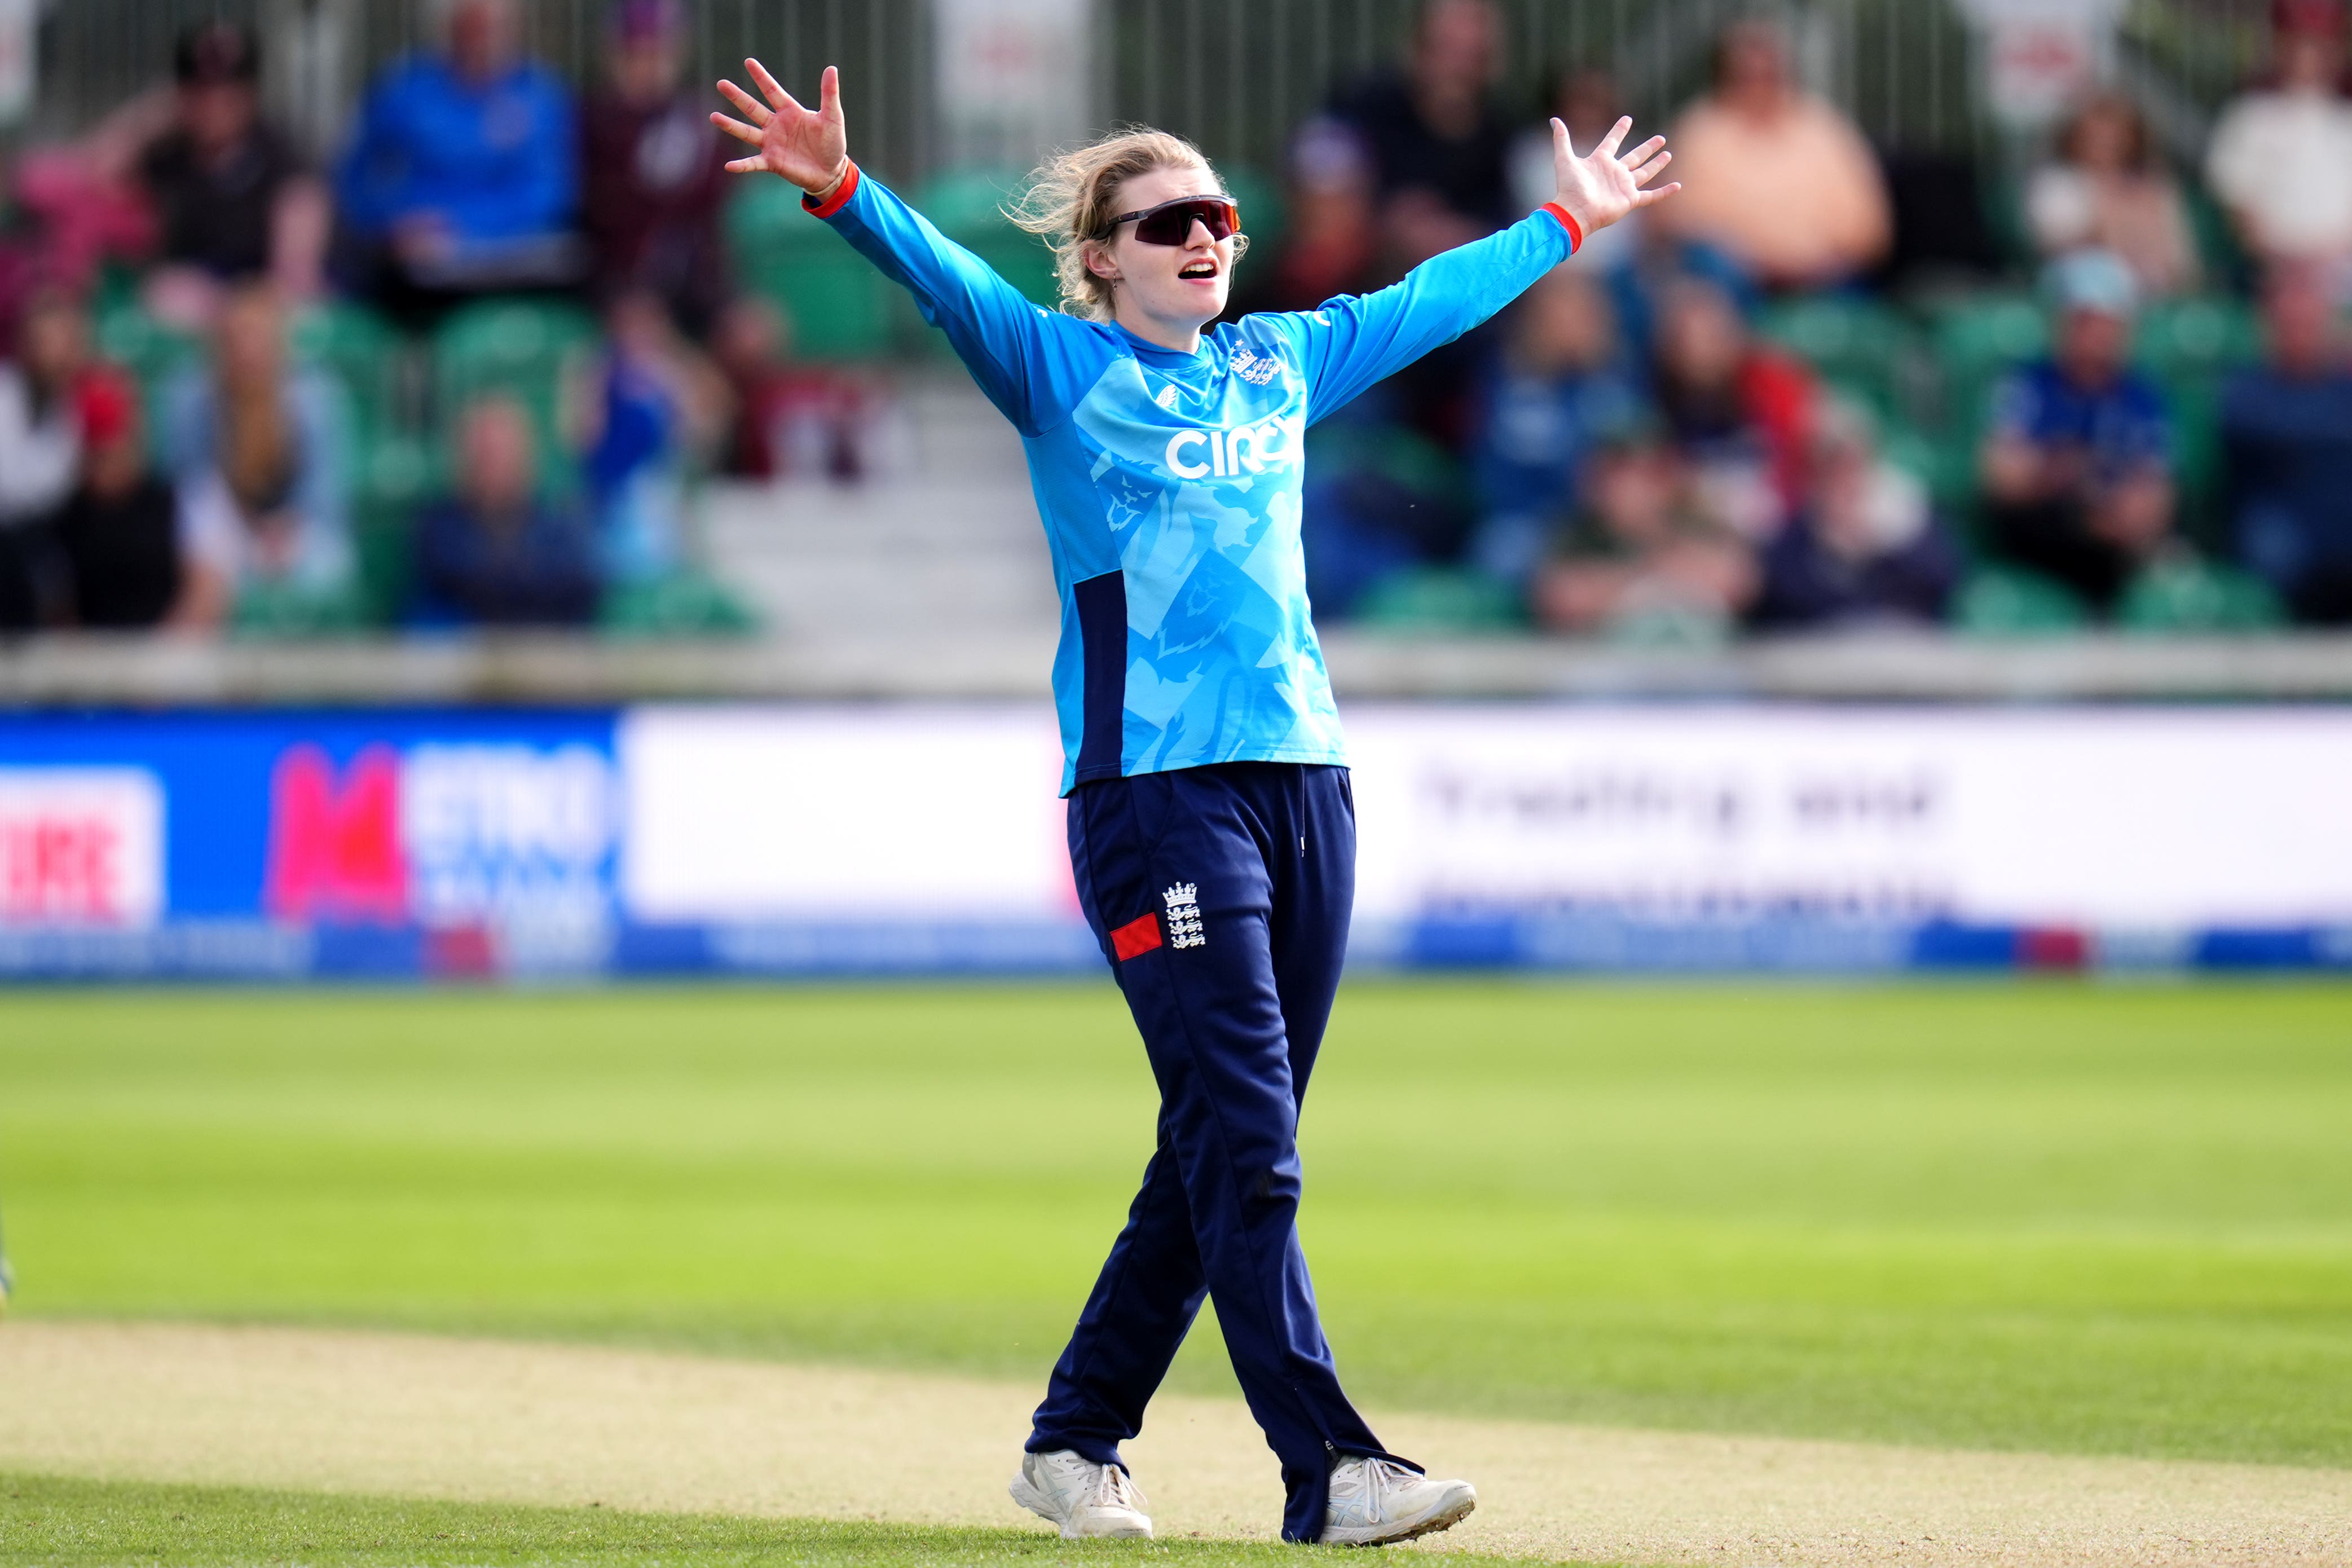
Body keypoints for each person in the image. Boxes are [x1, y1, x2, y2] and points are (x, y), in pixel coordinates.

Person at [712, 54, 1675, 1547]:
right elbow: (942, 278)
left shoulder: (1280, 361)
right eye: (1166, 224)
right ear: (1103, 257)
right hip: (1154, 796)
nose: (1204, 238)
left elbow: (1430, 301)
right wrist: (840, 188)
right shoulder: (1058, 368)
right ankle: (1330, 1467)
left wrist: (1565, 221)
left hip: (1306, 773)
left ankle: (1074, 1438)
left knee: (1227, 1136)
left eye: (1217, 216)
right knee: (1253, 1141)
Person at [335, 0, 581, 320]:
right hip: (413, 277)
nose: (480, 41)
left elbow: (550, 193)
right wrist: (394, 224)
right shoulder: (404, 93)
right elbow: (355, 179)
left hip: (512, 273)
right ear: (449, 30)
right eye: (470, 27)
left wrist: (459, 228)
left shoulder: (541, 99)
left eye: (490, 28)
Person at [1980, 250, 2178, 614]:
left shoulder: (2141, 396)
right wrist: (2063, 473)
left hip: (2115, 555)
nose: (2094, 334)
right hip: (2040, 548)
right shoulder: (2029, 385)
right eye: (2083, 320)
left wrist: (2115, 514)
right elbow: (2002, 477)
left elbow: (2154, 498)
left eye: (2105, 321)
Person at [157, 284, 356, 629]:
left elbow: (327, 500)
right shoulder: (195, 399)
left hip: (300, 533)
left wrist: (286, 532)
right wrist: (243, 533)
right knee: (206, 565)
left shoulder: (313, 398)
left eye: (257, 339)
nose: (247, 352)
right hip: (227, 535)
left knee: (329, 562)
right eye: (237, 340)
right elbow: (191, 497)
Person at [1655, 17, 1891, 292]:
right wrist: (1762, 264)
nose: (1759, 87)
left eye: (1768, 75)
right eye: (1746, 76)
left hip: (1825, 282)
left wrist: (1817, 267)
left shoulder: (1824, 129)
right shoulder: (1699, 132)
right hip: (1734, 283)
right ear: (1722, 78)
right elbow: (1677, 223)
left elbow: (1869, 230)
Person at [135, 21, 329, 330]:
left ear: (251, 93)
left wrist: (226, 304)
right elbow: (65, 178)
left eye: (229, 92)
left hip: (266, 312)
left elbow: (296, 278)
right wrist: (147, 119)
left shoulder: (283, 160)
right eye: (201, 91)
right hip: (195, 314)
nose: (214, 105)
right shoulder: (167, 155)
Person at [1467, 263, 1645, 587]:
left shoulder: (1619, 381)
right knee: (1503, 552)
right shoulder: (1508, 382)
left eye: (1579, 314)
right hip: (1531, 523)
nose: (1568, 325)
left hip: (1608, 527)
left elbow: (1640, 459)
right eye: (1557, 314)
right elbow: (1491, 471)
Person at [581, 0, 735, 338]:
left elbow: (713, 214)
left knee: (751, 333)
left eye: (658, 53)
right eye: (635, 54)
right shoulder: (592, 125)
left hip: (695, 286)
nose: (647, 68)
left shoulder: (698, 123)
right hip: (618, 290)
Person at [1324, 0, 1516, 267]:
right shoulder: (1365, 108)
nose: (1457, 69)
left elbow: (1508, 230)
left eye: (1472, 56)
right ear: (1415, 50)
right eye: (1446, 51)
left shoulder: (1505, 135)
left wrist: (1455, 236)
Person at [1532, 425, 1756, 640]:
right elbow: (1562, 599)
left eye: (1652, 473)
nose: (1637, 488)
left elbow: (1738, 582)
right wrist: (1646, 579)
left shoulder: (1697, 522)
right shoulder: (1577, 532)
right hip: (1605, 666)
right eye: (1622, 474)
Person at [1751, 401, 1958, 631]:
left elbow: (1942, 580)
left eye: (1852, 465)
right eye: (1832, 468)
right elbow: (1781, 598)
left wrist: (1880, 544)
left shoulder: (1908, 512)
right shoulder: (1795, 533)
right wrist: (1835, 550)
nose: (1845, 479)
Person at [2222, 263, 2352, 622]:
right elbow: (2268, 433)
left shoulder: (2343, 388)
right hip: (2282, 522)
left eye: (2309, 322)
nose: (2301, 333)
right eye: (2291, 322)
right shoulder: (2245, 389)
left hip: (2341, 516)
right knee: (2274, 548)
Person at [1650, 274, 1816, 539]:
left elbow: (1799, 451)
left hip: (1779, 516)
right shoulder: (1658, 394)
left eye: (1711, 336)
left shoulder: (1768, 381)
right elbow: (1664, 475)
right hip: (1699, 530)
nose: (1700, 350)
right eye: (1688, 339)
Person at [411, 395, 601, 627]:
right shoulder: (440, 526)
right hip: (467, 648)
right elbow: (452, 578)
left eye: (500, 451)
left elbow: (577, 587)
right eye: (484, 452)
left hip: (544, 644)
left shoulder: (556, 527)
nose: (492, 463)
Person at [583, 289, 731, 583]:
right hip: (615, 488)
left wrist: (679, 388)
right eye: (630, 327)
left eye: (647, 327)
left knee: (668, 550)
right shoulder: (601, 371)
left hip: (661, 486)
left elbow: (707, 427)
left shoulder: (675, 374)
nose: (639, 336)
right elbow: (585, 437)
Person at [2206, 0, 2352, 274]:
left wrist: (2330, 259)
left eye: (2320, 47)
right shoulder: (2248, 117)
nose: (2307, 58)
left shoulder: (2346, 120)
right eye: (2297, 45)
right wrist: (2285, 262)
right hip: (2273, 271)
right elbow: (2239, 210)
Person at [49, 371, 187, 631]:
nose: (108, 456)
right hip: (87, 662)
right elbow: (60, 610)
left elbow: (195, 589)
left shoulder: (167, 504)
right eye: (99, 451)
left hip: (162, 656)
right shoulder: (66, 517)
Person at [2026, 93, 2200, 299]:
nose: (2105, 145)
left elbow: (2178, 253)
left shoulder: (2154, 186)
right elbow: (2058, 245)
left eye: (2115, 137)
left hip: (2154, 285)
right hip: (2084, 287)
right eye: (2095, 137)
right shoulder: (2058, 183)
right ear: (2075, 138)